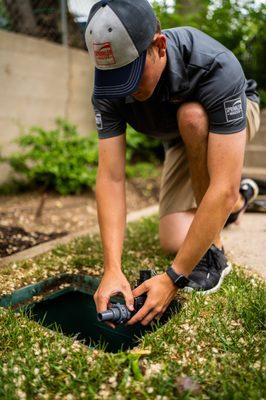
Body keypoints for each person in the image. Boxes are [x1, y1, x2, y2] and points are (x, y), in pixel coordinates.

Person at [85, 0, 261, 327]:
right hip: (180, 136)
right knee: (173, 239)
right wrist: (112, 267)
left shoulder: (213, 65)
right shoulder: (108, 82)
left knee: (192, 117)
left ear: (159, 47)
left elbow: (219, 189)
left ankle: (215, 251)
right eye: (115, 77)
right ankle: (242, 198)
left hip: (229, 115)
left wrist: (173, 279)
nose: (126, 89)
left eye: (133, 75)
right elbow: (110, 177)